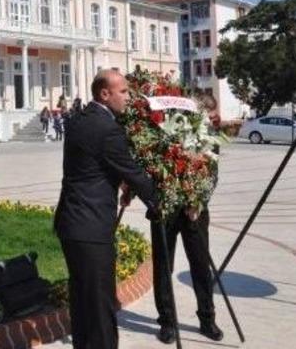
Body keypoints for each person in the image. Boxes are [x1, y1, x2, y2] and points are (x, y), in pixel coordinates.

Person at [54, 69, 159, 349]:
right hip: (91, 226)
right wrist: (160, 200)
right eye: (123, 92)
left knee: (83, 301)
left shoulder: (78, 119)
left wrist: (119, 182)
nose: (128, 97)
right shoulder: (107, 128)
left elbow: (93, 165)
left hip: (72, 223)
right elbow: (133, 171)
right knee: (100, 306)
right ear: (104, 93)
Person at [140, 92, 223, 344]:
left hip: (194, 212)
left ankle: (207, 318)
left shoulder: (208, 137)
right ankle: (167, 322)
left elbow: (211, 174)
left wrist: (198, 202)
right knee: (163, 267)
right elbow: (150, 167)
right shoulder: (165, 132)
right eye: (200, 113)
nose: (206, 119)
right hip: (165, 210)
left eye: (207, 115)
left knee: (200, 265)